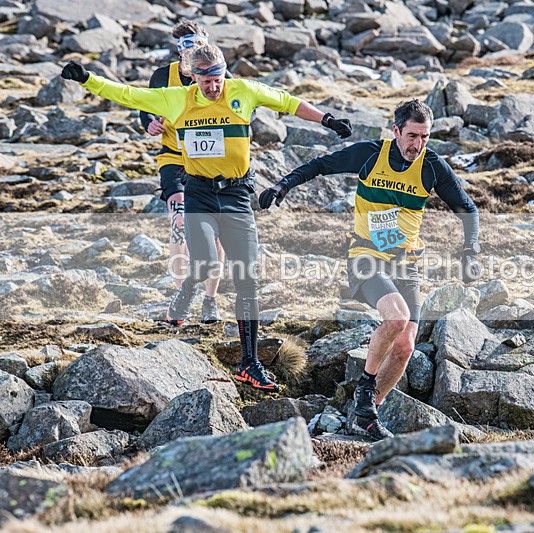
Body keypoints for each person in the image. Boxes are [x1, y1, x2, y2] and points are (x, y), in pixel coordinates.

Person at [61, 44, 352, 390]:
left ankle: (249, 363)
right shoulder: (177, 99)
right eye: (205, 80)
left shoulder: (243, 91)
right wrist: (87, 79)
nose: (213, 86)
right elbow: (128, 94)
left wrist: (328, 120)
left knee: (247, 277)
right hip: (198, 193)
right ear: (192, 76)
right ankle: (185, 293)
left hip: (236, 196)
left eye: (217, 78)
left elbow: (287, 102)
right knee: (207, 262)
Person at [259, 99, 481, 439]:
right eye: (411, 136)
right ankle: (364, 392)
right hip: (366, 256)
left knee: (406, 344)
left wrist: (471, 249)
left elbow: (468, 208)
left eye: (424, 137)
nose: (417, 145)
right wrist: (282, 186)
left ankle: (365, 413)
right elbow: (320, 165)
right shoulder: (369, 154)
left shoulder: (432, 166)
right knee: (395, 317)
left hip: (406, 263)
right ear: (395, 132)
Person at [140, 20, 229, 323]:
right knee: (180, 220)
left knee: (215, 234)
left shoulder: (219, 73)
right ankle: (183, 295)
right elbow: (145, 109)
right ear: (179, 50)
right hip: (174, 158)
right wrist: (149, 123)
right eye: (187, 47)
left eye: (198, 46)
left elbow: (243, 108)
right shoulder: (161, 77)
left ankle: (210, 298)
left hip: (212, 161)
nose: (193, 53)